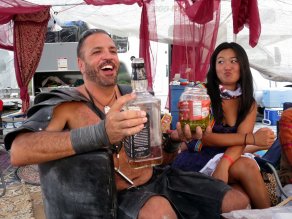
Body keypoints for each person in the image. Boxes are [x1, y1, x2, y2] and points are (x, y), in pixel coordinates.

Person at [5, 30, 249, 219]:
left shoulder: (136, 98)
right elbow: (20, 151)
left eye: (112, 50)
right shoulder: (66, 103)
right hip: (110, 197)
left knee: (236, 202)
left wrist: (174, 140)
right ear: (81, 64)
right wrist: (101, 133)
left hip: (159, 179)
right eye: (97, 51)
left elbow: (160, 158)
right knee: (159, 212)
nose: (108, 55)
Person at [172, 42, 276, 209]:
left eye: (234, 61)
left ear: (243, 65)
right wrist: (252, 139)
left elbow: (239, 144)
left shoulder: (248, 103)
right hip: (199, 159)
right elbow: (205, 138)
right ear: (214, 67)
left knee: (243, 196)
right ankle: (270, 213)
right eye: (220, 61)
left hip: (231, 159)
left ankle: (267, 213)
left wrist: (224, 164)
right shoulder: (202, 93)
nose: (227, 66)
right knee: (247, 170)